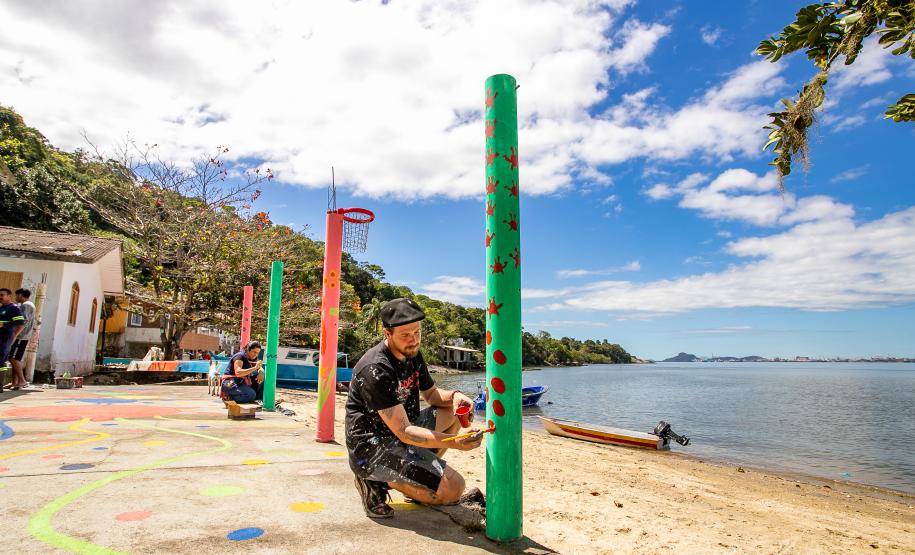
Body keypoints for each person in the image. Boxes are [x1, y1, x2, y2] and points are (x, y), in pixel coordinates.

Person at [345, 297, 483, 519]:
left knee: (452, 412)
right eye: (406, 335)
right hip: (374, 448)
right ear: (387, 334)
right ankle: (374, 480)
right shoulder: (376, 369)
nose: (413, 340)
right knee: (454, 489)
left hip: (402, 433)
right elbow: (404, 432)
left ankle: (417, 480)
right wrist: (455, 443)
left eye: (417, 333)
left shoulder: (413, 355)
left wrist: (456, 397)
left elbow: (432, 395)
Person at [7, 289, 34, 389]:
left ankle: (22, 381)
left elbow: (23, 321)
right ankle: (14, 382)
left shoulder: (26, 305)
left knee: (13, 358)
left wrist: (14, 335)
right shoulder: (28, 304)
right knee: (14, 358)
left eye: (17, 295)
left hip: (20, 336)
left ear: (21, 295)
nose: (15, 297)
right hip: (22, 336)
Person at [0, 288, 25, 383]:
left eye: (2, 295)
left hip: (5, 337)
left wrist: (4, 325)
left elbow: (20, 322)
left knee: (1, 360)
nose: (0, 297)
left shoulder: (14, 308)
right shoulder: (1, 308)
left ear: (9, 296)